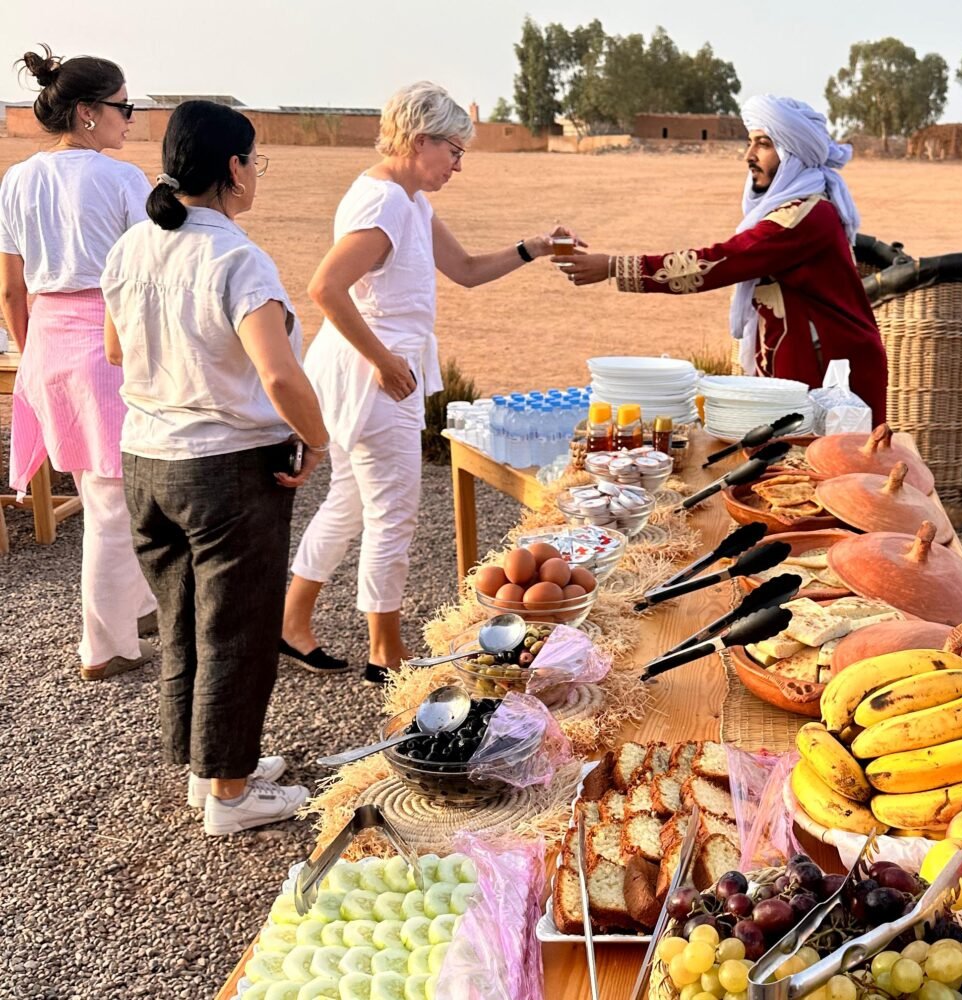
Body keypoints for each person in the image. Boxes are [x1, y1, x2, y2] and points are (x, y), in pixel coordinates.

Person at [282, 81, 582, 686]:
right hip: (374, 375)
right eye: (453, 150)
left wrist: (534, 248)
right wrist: (386, 360)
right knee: (393, 512)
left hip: (361, 369)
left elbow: (466, 271)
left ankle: (291, 622)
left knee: (348, 501)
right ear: (419, 140)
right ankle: (385, 656)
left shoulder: (408, 198)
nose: (459, 164)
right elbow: (324, 288)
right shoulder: (388, 203)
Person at [101, 101, 328, 836]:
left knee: (185, 621)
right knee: (237, 625)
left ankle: (210, 766)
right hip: (225, 468)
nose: (256, 174)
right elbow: (281, 375)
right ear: (234, 168)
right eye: (254, 160)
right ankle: (230, 793)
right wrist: (316, 439)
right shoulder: (236, 257)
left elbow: (113, 350)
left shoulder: (131, 246)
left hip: (145, 460)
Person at [558, 94, 888, 424]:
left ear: (792, 153)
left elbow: (720, 262)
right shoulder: (794, 210)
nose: (749, 156)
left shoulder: (805, 217)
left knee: (819, 468)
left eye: (763, 144)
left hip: (831, 372)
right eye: (750, 143)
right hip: (806, 360)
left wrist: (614, 267)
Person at [0, 45, 158, 680]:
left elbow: (12, 288)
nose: (131, 117)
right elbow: (143, 279)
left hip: (47, 343)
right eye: (123, 106)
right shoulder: (121, 180)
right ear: (89, 113)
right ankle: (106, 645)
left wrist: (29, 349)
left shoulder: (16, 180)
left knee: (104, 492)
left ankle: (139, 605)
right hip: (106, 344)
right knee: (114, 498)